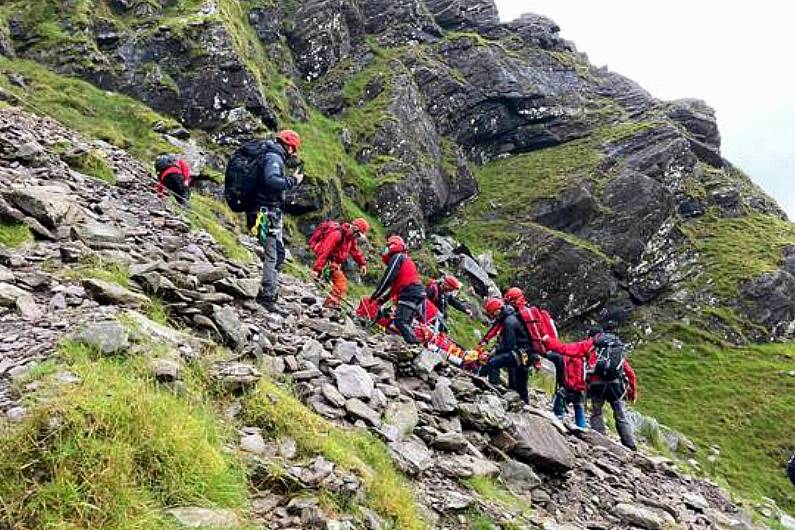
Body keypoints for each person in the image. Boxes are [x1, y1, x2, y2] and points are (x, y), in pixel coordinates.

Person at [543, 326, 638, 450]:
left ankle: (601, 441)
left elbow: (565, 349)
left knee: (597, 412)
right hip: (615, 386)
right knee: (620, 415)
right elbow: (629, 371)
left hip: (596, 385)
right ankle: (630, 445)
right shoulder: (614, 348)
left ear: (591, 336)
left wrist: (547, 340)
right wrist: (633, 392)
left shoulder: (590, 345)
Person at [251, 130, 304, 312]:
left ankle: (269, 291)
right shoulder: (274, 157)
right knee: (273, 255)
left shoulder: (269, 154)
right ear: (288, 145)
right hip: (267, 212)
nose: (293, 153)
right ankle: (267, 297)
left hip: (265, 211)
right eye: (294, 149)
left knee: (277, 253)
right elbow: (272, 181)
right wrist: (292, 181)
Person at [370, 235, 426, 344]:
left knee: (400, 322)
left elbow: (387, 279)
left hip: (410, 292)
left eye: (388, 246)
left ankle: (415, 345)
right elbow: (396, 287)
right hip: (417, 292)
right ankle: (411, 346)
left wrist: (376, 295)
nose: (386, 249)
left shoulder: (398, 257)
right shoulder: (406, 259)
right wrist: (383, 299)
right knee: (405, 323)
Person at [479, 297, 533, 404]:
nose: (493, 317)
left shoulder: (509, 322)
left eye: (492, 314)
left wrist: (492, 353)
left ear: (497, 310)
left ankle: (494, 392)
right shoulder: (510, 316)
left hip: (520, 352)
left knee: (492, 363)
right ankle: (523, 402)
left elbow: (508, 345)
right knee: (520, 382)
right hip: (527, 353)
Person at [310, 218, 369, 308]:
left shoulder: (350, 238)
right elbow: (324, 251)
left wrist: (362, 263)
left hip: (335, 263)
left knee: (335, 284)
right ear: (355, 228)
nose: (357, 236)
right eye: (358, 234)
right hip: (329, 262)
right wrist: (316, 269)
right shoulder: (337, 234)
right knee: (341, 284)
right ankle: (330, 305)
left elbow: (355, 251)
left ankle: (329, 303)